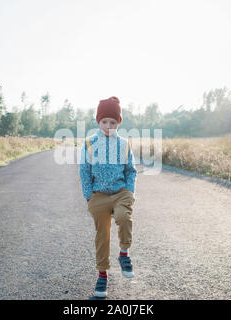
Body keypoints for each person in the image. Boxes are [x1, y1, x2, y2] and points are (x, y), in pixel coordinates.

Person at [79, 96, 137, 298]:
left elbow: (131, 170)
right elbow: (84, 171)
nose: (108, 126)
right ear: (98, 121)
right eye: (104, 122)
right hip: (99, 196)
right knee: (102, 235)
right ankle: (102, 275)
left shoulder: (124, 144)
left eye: (113, 122)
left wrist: (129, 191)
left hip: (121, 193)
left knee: (123, 217)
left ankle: (124, 253)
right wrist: (89, 196)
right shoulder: (89, 143)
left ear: (119, 123)